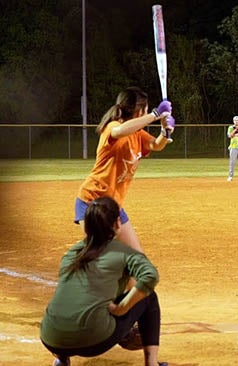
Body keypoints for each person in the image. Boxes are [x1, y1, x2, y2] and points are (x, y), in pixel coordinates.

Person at [41, 196, 166, 366]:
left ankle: (62, 361)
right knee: (149, 297)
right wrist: (123, 308)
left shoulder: (71, 254)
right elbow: (150, 276)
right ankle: (152, 363)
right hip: (94, 341)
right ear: (117, 223)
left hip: (50, 338)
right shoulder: (123, 251)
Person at [75, 87, 174, 252]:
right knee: (103, 256)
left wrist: (165, 131)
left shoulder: (137, 134)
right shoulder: (113, 126)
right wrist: (156, 115)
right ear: (138, 111)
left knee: (135, 258)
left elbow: (155, 145)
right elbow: (120, 131)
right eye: (146, 109)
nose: (147, 112)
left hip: (114, 206)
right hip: (93, 202)